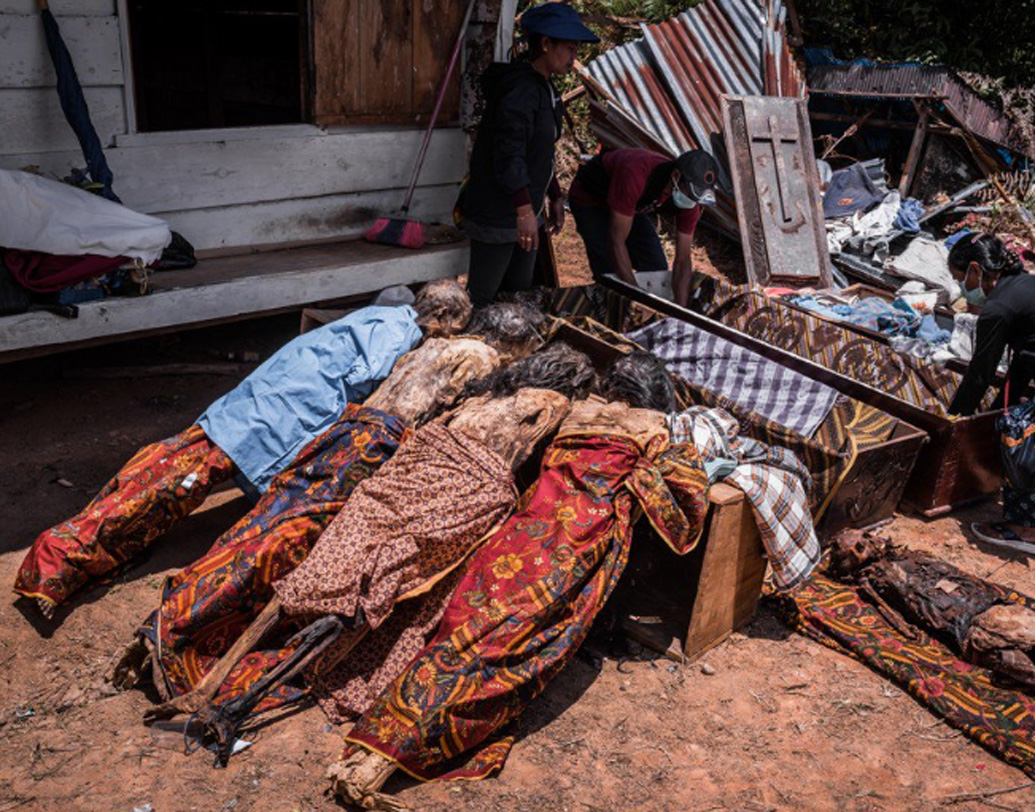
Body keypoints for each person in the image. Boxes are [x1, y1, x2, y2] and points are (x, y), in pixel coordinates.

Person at [14, 280, 473, 617]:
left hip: (257, 400)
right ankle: (60, 560)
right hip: (270, 419)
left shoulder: (376, 315)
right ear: (442, 322)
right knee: (168, 487)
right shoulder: (399, 336)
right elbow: (366, 379)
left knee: (164, 468)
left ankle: (65, 555)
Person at [460, 2, 598, 307]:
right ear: (545, 44)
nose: (574, 56)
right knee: (483, 297)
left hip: (527, 210)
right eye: (569, 48)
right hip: (500, 212)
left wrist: (555, 196)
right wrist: (523, 211)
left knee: (519, 294)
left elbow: (542, 150)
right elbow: (509, 152)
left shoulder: (545, 89)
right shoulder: (520, 89)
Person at [946, 233, 1035, 547]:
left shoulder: (998, 309)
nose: (963, 287)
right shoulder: (1025, 286)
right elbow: (1025, 360)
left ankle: (1025, 529)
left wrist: (954, 421)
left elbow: (979, 376)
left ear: (975, 269)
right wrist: (995, 409)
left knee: (1019, 436)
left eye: (960, 279)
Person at [568, 147, 719, 307]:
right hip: (592, 200)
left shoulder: (691, 204)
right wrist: (637, 299)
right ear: (675, 176)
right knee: (610, 277)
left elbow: (683, 259)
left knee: (656, 269)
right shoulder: (636, 174)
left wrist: (681, 311)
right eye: (690, 193)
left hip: (632, 207)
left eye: (697, 197)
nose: (692, 201)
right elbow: (617, 241)